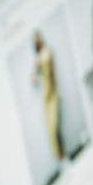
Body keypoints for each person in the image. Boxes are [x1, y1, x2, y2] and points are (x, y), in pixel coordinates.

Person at [32, 30, 64, 164]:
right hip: (46, 96)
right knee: (51, 127)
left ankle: (62, 153)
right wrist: (36, 78)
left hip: (54, 92)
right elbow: (35, 76)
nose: (38, 41)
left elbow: (53, 71)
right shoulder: (38, 59)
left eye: (39, 38)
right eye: (36, 40)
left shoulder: (48, 52)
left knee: (56, 125)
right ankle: (59, 156)